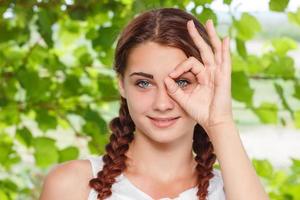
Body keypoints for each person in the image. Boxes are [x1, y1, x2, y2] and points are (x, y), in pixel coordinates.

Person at [39, 8, 269, 200]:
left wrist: (220, 122)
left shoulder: (234, 191)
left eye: (181, 82)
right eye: (143, 83)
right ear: (121, 84)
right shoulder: (73, 186)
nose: (162, 103)